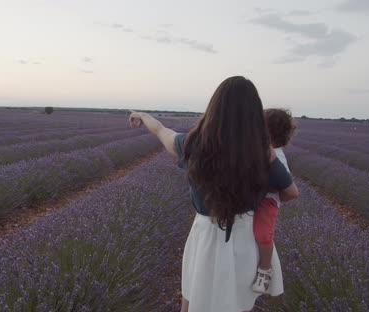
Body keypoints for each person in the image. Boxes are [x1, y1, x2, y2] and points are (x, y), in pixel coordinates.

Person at [128, 76, 299, 312]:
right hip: (244, 237)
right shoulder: (264, 154)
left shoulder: (193, 145)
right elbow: (290, 193)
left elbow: (162, 132)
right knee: (235, 303)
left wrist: (144, 116)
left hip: (204, 235)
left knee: (193, 293)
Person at [252, 108, 297, 294]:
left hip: (268, 202)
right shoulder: (258, 150)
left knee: (263, 234)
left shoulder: (277, 156)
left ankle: (265, 270)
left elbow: (286, 187)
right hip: (255, 198)